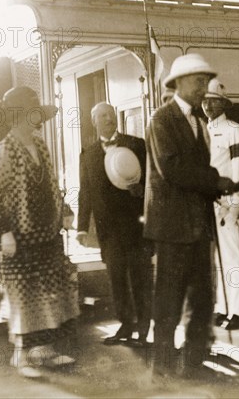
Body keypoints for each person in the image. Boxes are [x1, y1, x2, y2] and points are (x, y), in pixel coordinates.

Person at [143, 53, 239, 380]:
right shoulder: (162, 120)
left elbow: (197, 173)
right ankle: (162, 367)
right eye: (199, 81)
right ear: (179, 83)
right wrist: (215, 180)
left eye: (205, 81)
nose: (204, 88)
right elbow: (171, 169)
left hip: (199, 226)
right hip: (172, 228)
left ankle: (195, 362)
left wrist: (219, 186)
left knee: (201, 299)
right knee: (168, 301)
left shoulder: (199, 122)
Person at [0, 86, 79, 379]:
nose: (37, 119)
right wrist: (3, 233)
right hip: (19, 238)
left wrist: (63, 211)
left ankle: (45, 350)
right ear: (20, 116)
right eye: (32, 113)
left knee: (50, 294)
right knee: (24, 296)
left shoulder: (40, 145)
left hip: (47, 236)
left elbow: (51, 184)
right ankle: (22, 355)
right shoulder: (5, 149)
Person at [77, 102, 152, 348]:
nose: (108, 119)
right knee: (116, 279)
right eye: (102, 116)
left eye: (111, 115)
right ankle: (125, 325)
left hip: (137, 227)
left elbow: (153, 182)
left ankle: (143, 328)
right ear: (94, 121)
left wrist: (142, 193)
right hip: (108, 231)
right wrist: (81, 227)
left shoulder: (137, 145)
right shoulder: (87, 154)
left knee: (140, 278)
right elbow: (85, 193)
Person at [201, 78, 239, 330]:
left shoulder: (234, 129)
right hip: (209, 204)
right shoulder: (202, 130)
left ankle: (238, 312)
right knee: (218, 261)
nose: (208, 105)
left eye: (213, 101)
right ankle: (222, 308)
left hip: (227, 205)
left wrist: (235, 205)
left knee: (232, 257)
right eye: (204, 100)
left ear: (223, 103)